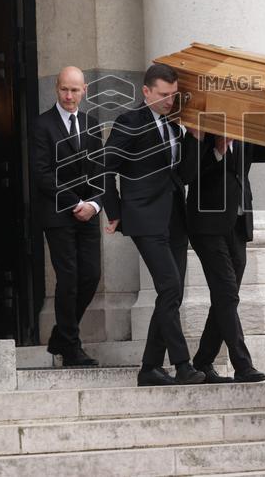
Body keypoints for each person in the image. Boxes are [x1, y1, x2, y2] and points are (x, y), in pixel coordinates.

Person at [103, 63, 207, 386]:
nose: (168, 101)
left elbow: (186, 175)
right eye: (163, 95)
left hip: (175, 218)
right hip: (144, 218)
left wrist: (194, 139)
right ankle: (182, 364)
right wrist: (114, 211)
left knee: (170, 293)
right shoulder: (128, 122)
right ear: (146, 91)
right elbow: (105, 168)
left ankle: (149, 367)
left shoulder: (176, 126)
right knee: (170, 288)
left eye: (173, 95)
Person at [185, 133, 265, 384]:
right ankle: (242, 364)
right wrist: (217, 151)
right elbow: (187, 173)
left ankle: (203, 361)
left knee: (225, 297)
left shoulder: (245, 132)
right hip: (207, 224)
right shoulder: (200, 132)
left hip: (238, 224)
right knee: (227, 294)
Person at [30, 66, 104, 367]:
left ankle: (61, 334)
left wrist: (95, 205)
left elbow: (101, 170)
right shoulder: (41, 125)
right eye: (64, 89)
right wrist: (76, 203)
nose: (69, 96)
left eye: (75, 90)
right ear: (56, 89)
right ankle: (71, 347)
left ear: (84, 89)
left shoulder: (92, 124)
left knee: (90, 275)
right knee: (69, 278)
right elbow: (42, 174)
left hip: (89, 213)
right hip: (59, 213)